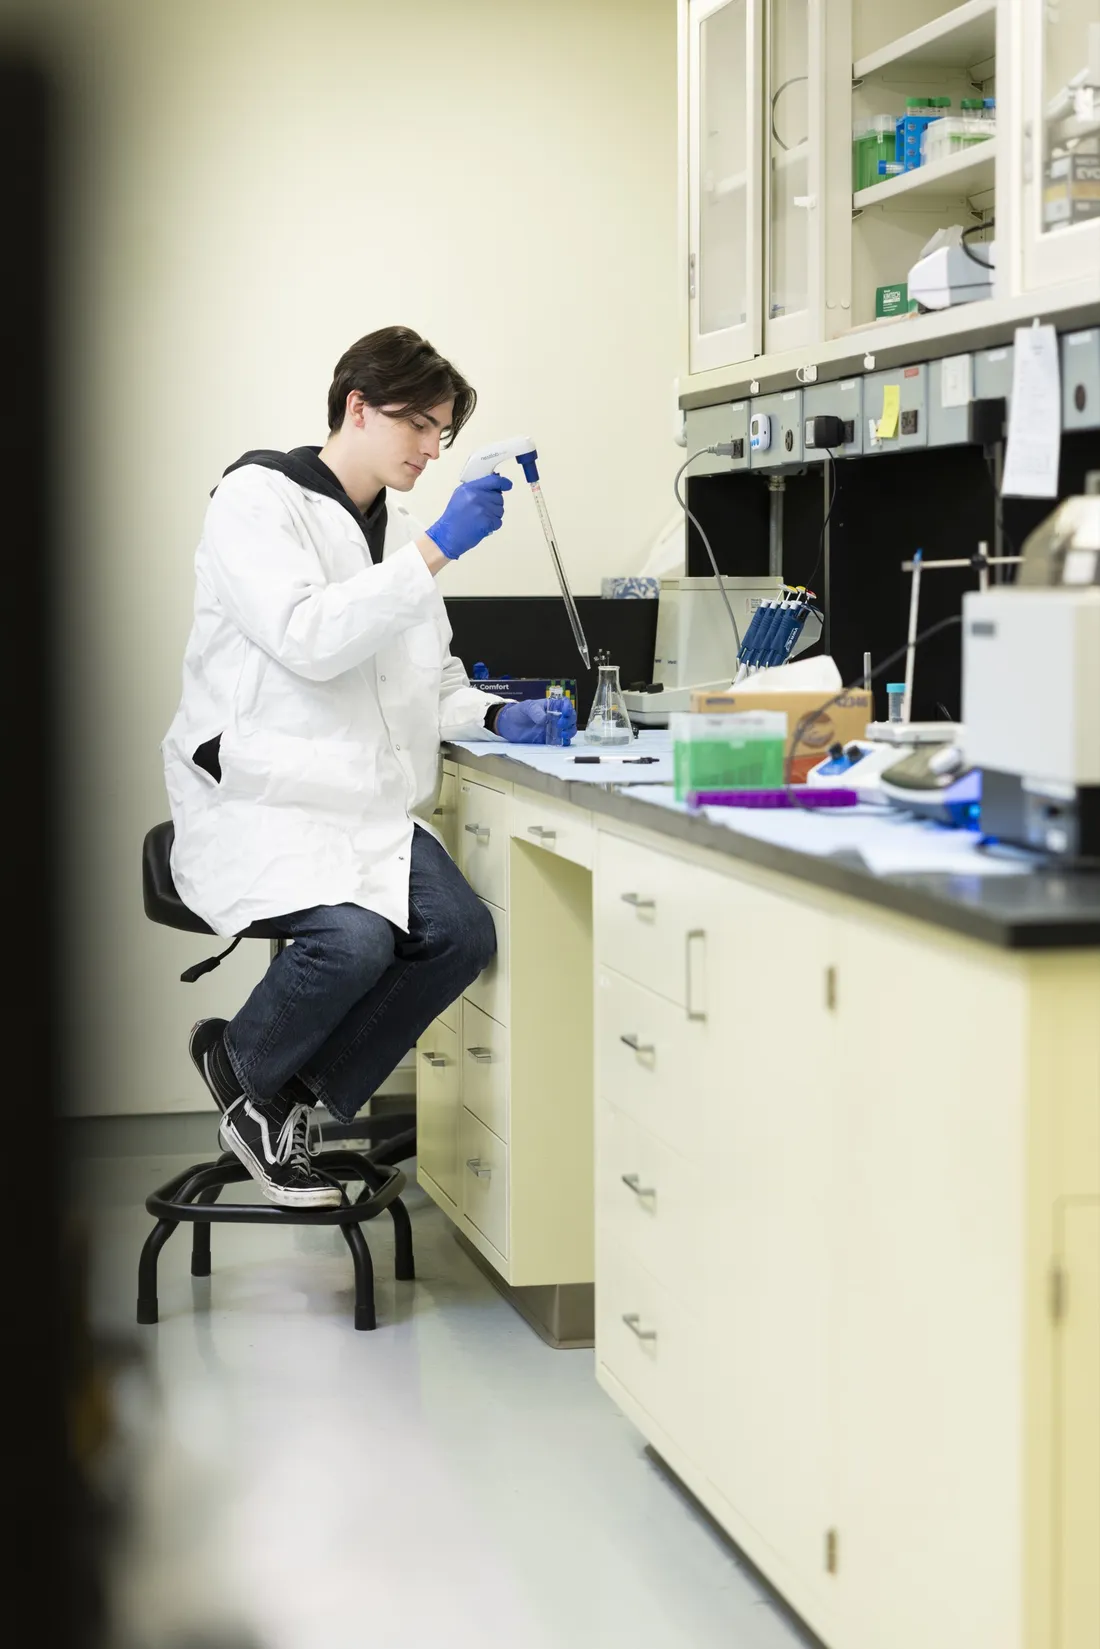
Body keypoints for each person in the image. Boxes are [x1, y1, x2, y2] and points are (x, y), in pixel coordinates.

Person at [162, 325, 577, 1208]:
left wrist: (505, 713)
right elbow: (307, 638)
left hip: (359, 808)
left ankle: (280, 1100)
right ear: (358, 406)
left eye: (443, 432)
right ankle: (234, 1058)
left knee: (461, 934)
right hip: (264, 797)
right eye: (419, 424)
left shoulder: (401, 531)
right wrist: (435, 557)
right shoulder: (255, 500)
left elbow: (433, 682)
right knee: (352, 940)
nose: (432, 448)